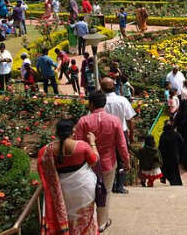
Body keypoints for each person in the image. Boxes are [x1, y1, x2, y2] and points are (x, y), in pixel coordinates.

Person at [74, 91, 129, 231]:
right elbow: (121, 144)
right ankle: (101, 223)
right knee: (105, 192)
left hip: (88, 164)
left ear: (91, 103)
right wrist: (126, 161)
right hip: (108, 163)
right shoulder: (114, 120)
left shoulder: (83, 121)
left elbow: (78, 144)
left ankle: (89, 221)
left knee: (88, 192)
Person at [37, 119, 99, 235]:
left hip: (61, 190)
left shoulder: (46, 150)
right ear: (73, 131)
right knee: (85, 216)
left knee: (67, 214)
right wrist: (92, 142)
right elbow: (94, 160)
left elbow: (43, 168)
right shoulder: (82, 146)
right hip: (84, 189)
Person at [102, 78, 136, 193]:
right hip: (122, 132)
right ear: (114, 86)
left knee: (108, 158)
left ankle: (110, 185)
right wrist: (131, 134)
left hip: (105, 134)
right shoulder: (122, 100)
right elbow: (130, 119)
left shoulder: (101, 102)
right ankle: (120, 186)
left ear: (102, 88)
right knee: (122, 159)